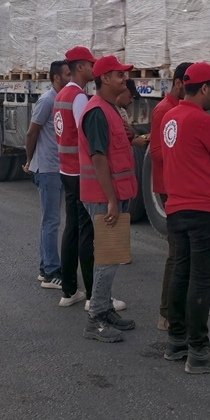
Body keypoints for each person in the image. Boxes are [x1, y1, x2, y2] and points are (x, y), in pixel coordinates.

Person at [161, 62, 210, 373]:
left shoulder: (170, 117)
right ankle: (199, 352)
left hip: (176, 209)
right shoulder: (202, 120)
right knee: (202, 280)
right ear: (204, 88)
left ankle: (177, 342)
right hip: (204, 210)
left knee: (181, 274)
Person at [78, 55, 140, 342]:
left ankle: (103, 309)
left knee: (110, 255)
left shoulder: (110, 109)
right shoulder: (97, 112)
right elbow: (99, 158)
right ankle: (95, 319)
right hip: (104, 197)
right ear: (104, 78)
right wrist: (112, 200)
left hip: (115, 194)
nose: (124, 79)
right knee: (108, 258)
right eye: (119, 75)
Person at [148, 62, 192, 331]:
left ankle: (176, 308)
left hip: (180, 186)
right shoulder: (164, 111)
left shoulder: (181, 109)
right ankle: (166, 314)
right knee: (176, 252)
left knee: (182, 250)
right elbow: (155, 152)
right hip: (170, 187)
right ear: (178, 83)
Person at [24, 60, 70, 290]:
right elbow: (31, 133)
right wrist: (29, 160)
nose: (70, 78)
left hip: (57, 167)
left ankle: (46, 267)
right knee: (51, 221)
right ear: (56, 78)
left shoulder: (61, 100)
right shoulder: (47, 100)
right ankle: (51, 271)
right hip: (48, 168)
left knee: (50, 220)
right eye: (67, 74)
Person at [116, 78, 148, 149]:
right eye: (130, 96)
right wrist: (133, 142)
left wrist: (144, 137)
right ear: (121, 92)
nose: (132, 100)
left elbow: (126, 136)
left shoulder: (123, 112)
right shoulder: (110, 112)